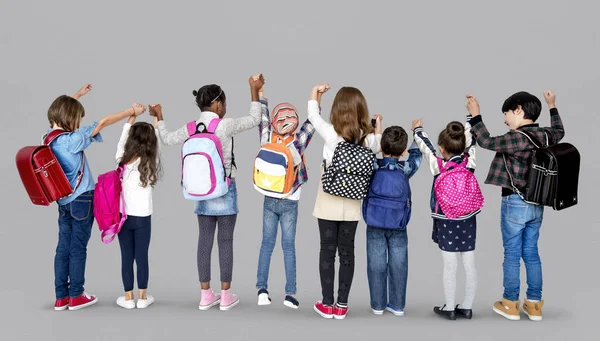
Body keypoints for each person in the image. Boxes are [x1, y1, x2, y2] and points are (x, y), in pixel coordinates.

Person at [150, 75, 264, 311]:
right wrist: (254, 90)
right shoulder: (225, 125)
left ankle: (204, 295)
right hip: (224, 190)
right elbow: (255, 118)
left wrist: (159, 117)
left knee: (204, 241)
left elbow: (168, 138)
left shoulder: (191, 127)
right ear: (218, 104)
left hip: (200, 192)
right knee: (225, 241)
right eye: (225, 103)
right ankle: (225, 296)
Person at [49, 84, 146, 311]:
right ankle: (76, 296)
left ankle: (61, 297)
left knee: (63, 248)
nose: (79, 124)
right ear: (69, 118)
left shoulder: (49, 137)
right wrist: (130, 112)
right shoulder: (73, 139)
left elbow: (61, 112)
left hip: (62, 201)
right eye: (77, 119)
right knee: (78, 248)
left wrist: (77, 96)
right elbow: (102, 123)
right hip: (81, 199)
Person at [468, 91, 564, 321]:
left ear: (519, 110)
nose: (505, 120)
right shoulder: (546, 135)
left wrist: (476, 116)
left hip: (515, 202)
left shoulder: (517, 138)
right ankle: (534, 304)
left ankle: (510, 303)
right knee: (531, 253)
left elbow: (486, 142)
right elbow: (560, 131)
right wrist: (552, 106)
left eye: (507, 114)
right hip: (537, 203)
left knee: (511, 254)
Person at [308, 83, 383, 320]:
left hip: (328, 197)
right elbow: (379, 145)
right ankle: (342, 305)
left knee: (327, 251)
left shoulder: (331, 134)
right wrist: (377, 124)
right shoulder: (367, 140)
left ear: (338, 110)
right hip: (352, 201)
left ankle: (327, 303)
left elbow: (312, 115)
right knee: (347, 252)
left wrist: (315, 92)